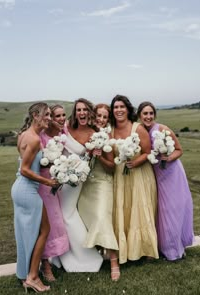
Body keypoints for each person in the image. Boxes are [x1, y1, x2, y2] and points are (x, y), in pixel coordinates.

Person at [137, 101, 194, 260]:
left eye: (151, 113)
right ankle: (165, 246)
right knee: (162, 211)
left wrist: (168, 157)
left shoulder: (162, 129)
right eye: (145, 114)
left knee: (173, 209)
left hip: (172, 173)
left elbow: (179, 150)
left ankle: (175, 248)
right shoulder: (140, 131)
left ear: (154, 114)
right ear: (139, 116)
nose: (148, 116)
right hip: (157, 176)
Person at [11, 102, 58, 293]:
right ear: (35, 115)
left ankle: (25, 274)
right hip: (27, 189)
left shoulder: (24, 135)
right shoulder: (35, 139)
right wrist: (47, 182)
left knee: (27, 234)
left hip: (20, 189)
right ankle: (32, 276)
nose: (49, 118)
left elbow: (27, 162)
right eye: (46, 114)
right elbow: (24, 170)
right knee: (44, 230)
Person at [110, 95, 159, 269]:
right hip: (120, 178)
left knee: (140, 210)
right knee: (124, 211)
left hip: (139, 175)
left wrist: (136, 162)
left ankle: (145, 249)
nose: (119, 110)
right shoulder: (111, 130)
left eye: (122, 106)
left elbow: (148, 152)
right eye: (115, 107)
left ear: (128, 109)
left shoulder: (138, 129)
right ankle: (125, 250)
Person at [57, 98, 103, 272]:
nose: (81, 113)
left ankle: (87, 256)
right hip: (59, 176)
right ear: (75, 112)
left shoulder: (94, 132)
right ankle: (63, 254)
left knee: (67, 214)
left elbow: (91, 158)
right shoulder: (66, 126)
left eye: (84, 110)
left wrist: (93, 153)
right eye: (78, 110)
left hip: (76, 178)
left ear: (89, 113)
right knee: (61, 215)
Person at [78, 103, 119, 280]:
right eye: (98, 116)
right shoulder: (88, 133)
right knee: (87, 216)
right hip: (87, 184)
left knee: (102, 217)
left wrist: (100, 155)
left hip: (103, 183)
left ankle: (114, 261)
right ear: (93, 117)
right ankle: (97, 253)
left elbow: (112, 168)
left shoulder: (108, 138)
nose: (101, 120)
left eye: (104, 117)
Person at [38, 104, 69, 281]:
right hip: (43, 184)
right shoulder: (41, 137)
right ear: (50, 118)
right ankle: (46, 265)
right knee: (46, 225)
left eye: (64, 115)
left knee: (57, 222)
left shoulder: (63, 134)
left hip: (58, 185)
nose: (61, 118)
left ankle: (56, 260)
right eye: (57, 115)